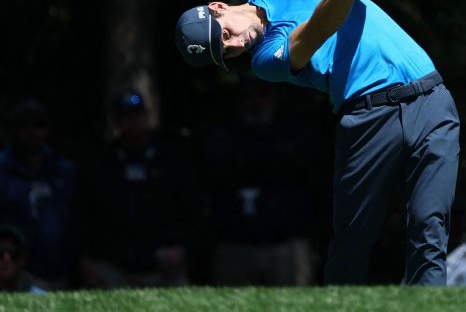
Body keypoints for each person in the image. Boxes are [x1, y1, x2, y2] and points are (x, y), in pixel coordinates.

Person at [175, 0, 460, 285]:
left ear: (219, 8)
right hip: (369, 118)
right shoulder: (266, 61)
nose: (234, 45)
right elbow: (319, 28)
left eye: (224, 35)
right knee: (352, 243)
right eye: (226, 52)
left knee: (430, 229)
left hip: (431, 96)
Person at [79, 91, 201, 289]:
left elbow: (192, 209)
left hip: (165, 267)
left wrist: (184, 248)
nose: (132, 121)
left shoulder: (171, 159)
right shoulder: (101, 163)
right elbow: (85, 214)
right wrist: (87, 260)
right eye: (125, 116)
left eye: (137, 115)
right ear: (117, 121)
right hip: (113, 267)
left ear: (146, 117)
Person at [204, 80, 321, 286]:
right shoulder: (223, 136)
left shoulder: (294, 134)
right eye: (248, 96)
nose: (256, 102)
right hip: (236, 243)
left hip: (285, 243)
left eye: (263, 94)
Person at [0, 97, 77, 290]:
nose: (32, 132)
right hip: (12, 276)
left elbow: (76, 220)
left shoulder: (63, 170)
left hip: (58, 272)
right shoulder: (2, 170)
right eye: (24, 125)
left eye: (39, 125)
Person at [0, 224, 47, 294]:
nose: (6, 258)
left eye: (13, 253)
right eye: (0, 252)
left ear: (23, 258)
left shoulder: (39, 295)